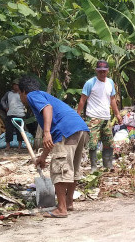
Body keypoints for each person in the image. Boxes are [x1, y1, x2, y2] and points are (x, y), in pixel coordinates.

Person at [18, 77, 90, 218]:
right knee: (72, 167)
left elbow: (47, 109)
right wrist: (43, 157)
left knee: (60, 168)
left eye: (20, 95)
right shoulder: (46, 96)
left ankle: (61, 208)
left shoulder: (33, 95)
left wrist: (45, 132)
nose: (21, 98)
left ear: (24, 92)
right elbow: (54, 140)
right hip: (80, 129)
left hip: (67, 130)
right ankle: (68, 203)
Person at [76, 60, 123, 171]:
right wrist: (77, 115)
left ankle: (108, 165)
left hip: (106, 117)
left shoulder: (110, 83)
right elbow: (83, 99)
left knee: (108, 142)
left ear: (107, 71)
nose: (102, 73)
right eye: (100, 71)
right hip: (93, 117)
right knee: (92, 143)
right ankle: (93, 167)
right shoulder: (90, 83)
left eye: (104, 71)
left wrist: (117, 114)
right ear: (96, 71)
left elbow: (112, 99)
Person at [0, 80, 26, 150]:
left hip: (20, 114)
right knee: (8, 130)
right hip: (10, 114)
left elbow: (27, 101)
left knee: (19, 131)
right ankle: (8, 146)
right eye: (14, 85)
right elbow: (2, 100)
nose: (15, 86)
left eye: (17, 85)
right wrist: (5, 107)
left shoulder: (22, 93)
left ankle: (19, 146)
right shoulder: (9, 93)